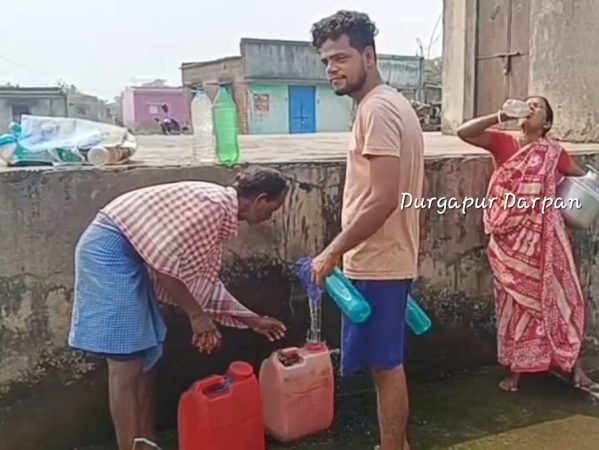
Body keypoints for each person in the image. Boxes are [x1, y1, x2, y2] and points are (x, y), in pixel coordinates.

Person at [68, 167, 290, 450]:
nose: (271, 215)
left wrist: (252, 320)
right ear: (260, 199)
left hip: (131, 254)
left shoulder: (219, 212)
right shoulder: (211, 209)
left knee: (148, 352)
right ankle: (129, 446)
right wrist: (198, 318)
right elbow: (165, 268)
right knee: (125, 362)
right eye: (273, 207)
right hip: (110, 251)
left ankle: (145, 440)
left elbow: (202, 280)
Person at [309, 10, 424, 450]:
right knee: (385, 363)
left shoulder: (376, 110)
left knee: (385, 366)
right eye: (326, 62)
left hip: (378, 261)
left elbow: (384, 197)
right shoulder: (394, 104)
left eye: (341, 57)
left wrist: (331, 252)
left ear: (369, 56)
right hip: (389, 256)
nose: (332, 68)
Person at [456, 96, 599, 392]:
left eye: (537, 107)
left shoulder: (553, 152)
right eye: (527, 104)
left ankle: (574, 366)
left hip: (544, 240)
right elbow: (464, 132)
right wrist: (499, 114)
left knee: (558, 297)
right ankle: (516, 370)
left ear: (546, 123)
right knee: (515, 304)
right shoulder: (503, 142)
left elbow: (584, 179)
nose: (529, 107)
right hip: (509, 239)